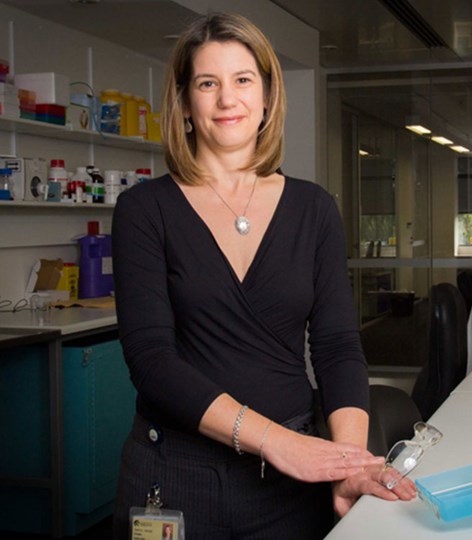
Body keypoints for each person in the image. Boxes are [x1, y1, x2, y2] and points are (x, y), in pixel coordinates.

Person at [111, 12, 414, 539]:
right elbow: (152, 361)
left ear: (269, 97)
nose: (227, 99)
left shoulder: (313, 208)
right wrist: (276, 441)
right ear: (184, 103)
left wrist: (352, 463)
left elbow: (339, 346)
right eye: (208, 83)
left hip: (292, 489)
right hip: (178, 478)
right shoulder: (144, 209)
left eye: (243, 80)